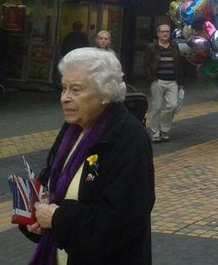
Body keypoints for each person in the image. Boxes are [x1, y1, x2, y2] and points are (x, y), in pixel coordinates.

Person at [21, 48, 155, 265]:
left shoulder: (128, 137)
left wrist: (57, 219)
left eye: (76, 90)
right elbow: (52, 183)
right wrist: (37, 215)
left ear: (105, 93)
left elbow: (124, 220)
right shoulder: (73, 129)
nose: (65, 98)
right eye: (63, 88)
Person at [144, 24, 184, 143]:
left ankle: (164, 129)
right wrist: (152, 79)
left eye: (167, 31)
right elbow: (146, 64)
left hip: (172, 81)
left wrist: (180, 82)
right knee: (156, 108)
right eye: (163, 32)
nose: (165, 34)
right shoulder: (152, 47)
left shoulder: (174, 46)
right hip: (158, 81)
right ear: (158, 34)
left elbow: (179, 64)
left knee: (172, 105)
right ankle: (155, 132)